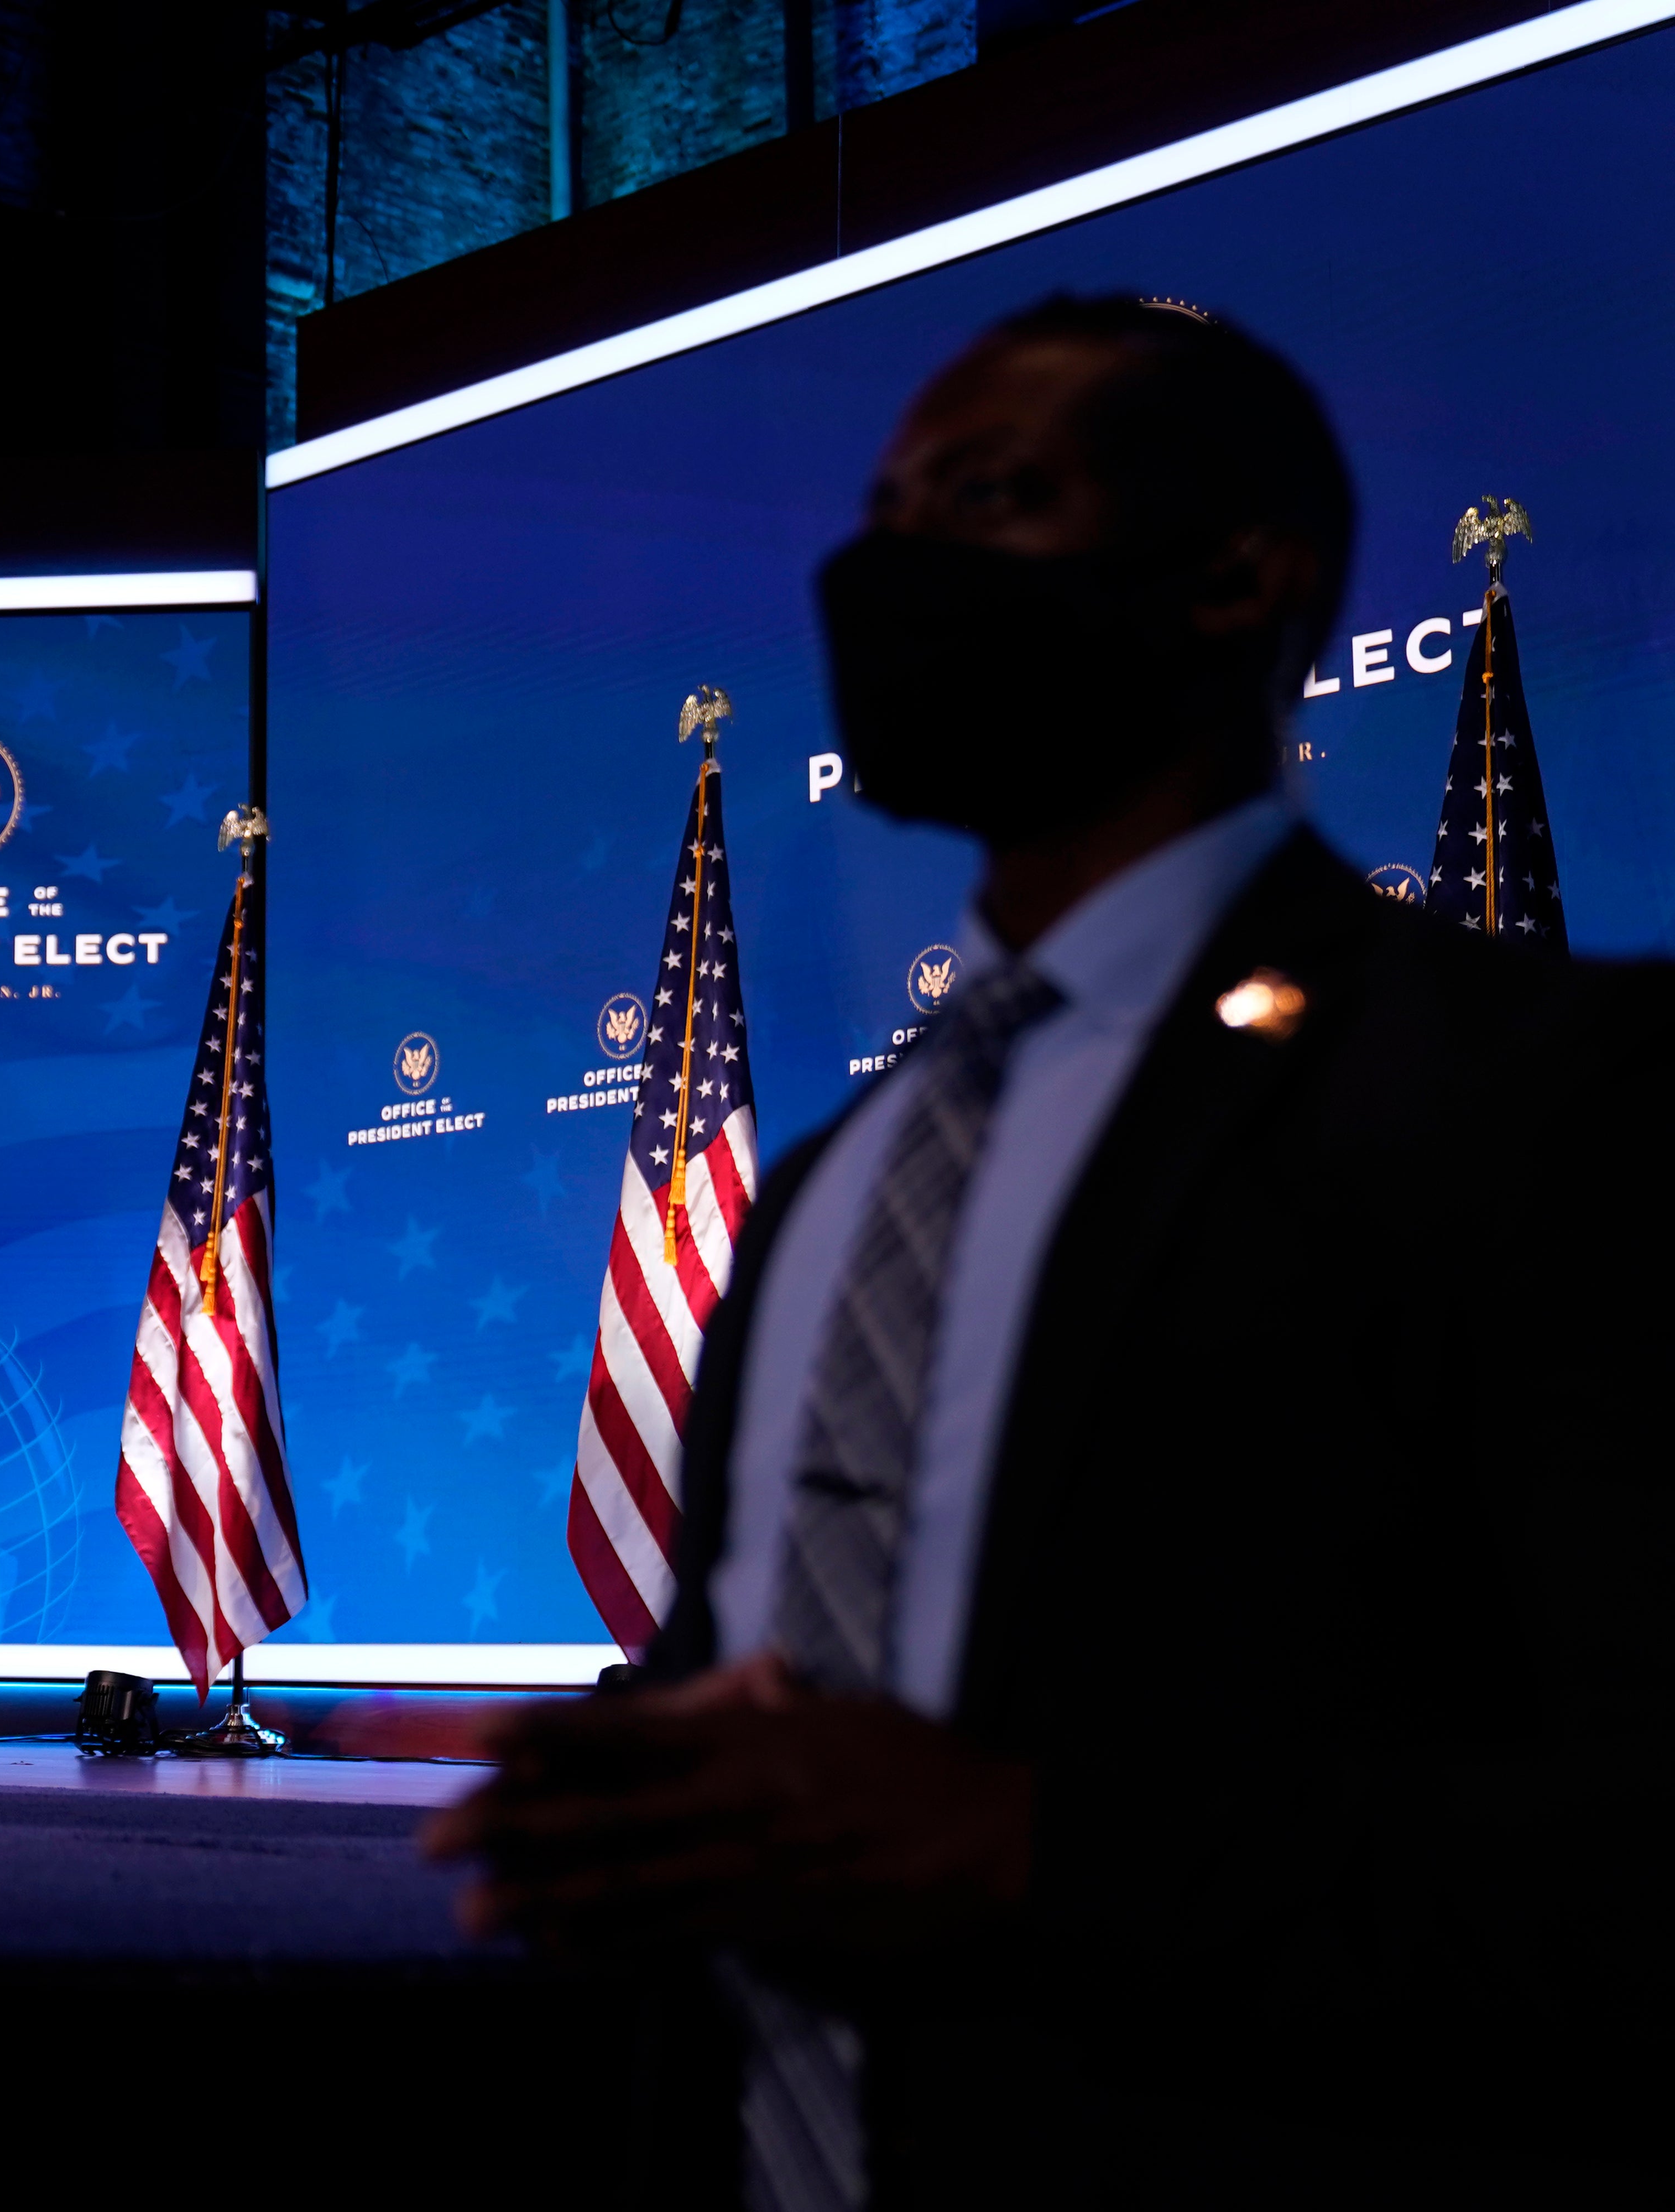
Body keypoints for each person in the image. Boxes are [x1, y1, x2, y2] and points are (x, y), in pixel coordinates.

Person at [428, 298, 1673, 2198]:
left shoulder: (1553, 1099)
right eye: (887, 507)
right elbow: (752, 1703)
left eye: (995, 497)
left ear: (1239, 579)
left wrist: (1015, 1843)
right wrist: (633, 1820)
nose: (898, 568)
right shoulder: (839, 1175)